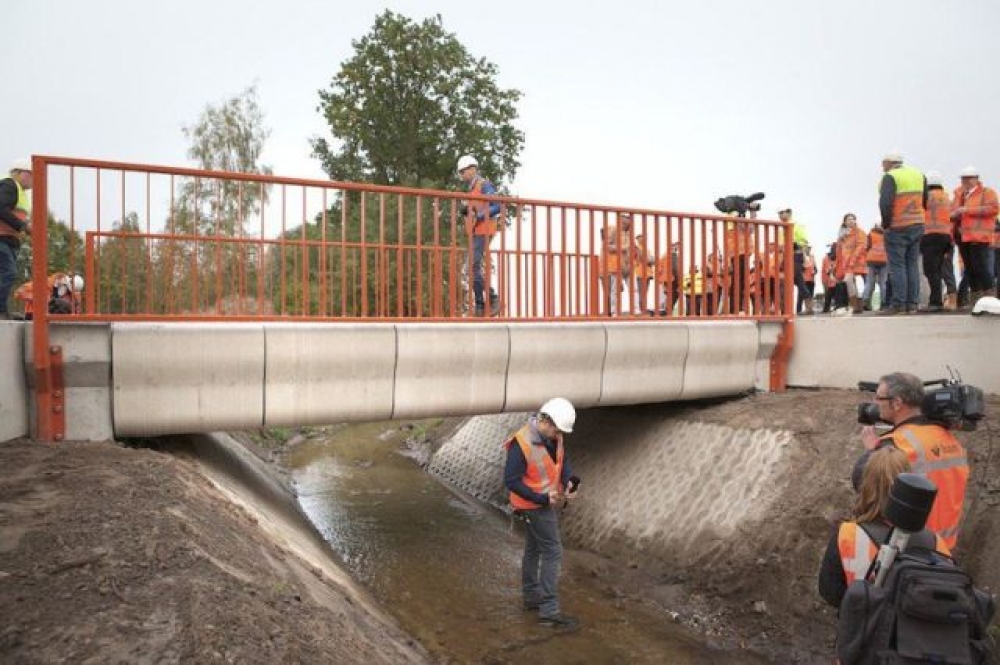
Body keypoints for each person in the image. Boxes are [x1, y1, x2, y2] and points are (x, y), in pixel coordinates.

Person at [818, 446, 949, 609]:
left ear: (865, 484)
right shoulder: (936, 543)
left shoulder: (848, 535)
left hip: (863, 628)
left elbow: (829, 591)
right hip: (914, 632)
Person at [852, 372, 969, 550]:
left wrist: (873, 450)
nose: (875, 403)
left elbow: (862, 483)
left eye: (879, 398)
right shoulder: (949, 440)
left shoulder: (898, 443)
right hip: (943, 548)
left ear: (897, 403)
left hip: (908, 548)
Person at [503, 397, 581, 629]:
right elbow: (511, 481)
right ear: (545, 420)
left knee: (534, 548)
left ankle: (531, 597)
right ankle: (549, 611)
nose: (558, 433)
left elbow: (561, 461)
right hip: (533, 505)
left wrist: (568, 481)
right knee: (553, 551)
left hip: (542, 502)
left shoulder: (553, 436)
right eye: (555, 428)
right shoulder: (521, 444)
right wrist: (541, 499)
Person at [878, 151, 927, 315]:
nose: (882, 166)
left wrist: (886, 224)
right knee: (912, 265)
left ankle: (898, 304)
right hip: (917, 224)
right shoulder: (918, 175)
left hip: (897, 226)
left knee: (897, 266)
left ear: (890, 162)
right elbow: (925, 200)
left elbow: (885, 203)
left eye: (883, 162)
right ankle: (912, 303)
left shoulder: (890, 177)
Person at [456, 155, 501, 317]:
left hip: (484, 230)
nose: (462, 175)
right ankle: (481, 305)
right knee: (471, 268)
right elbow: (476, 208)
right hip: (476, 231)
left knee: (470, 267)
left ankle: (493, 298)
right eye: (460, 173)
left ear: (472, 169)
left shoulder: (484, 184)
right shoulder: (472, 189)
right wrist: (467, 209)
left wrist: (479, 216)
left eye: (463, 172)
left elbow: (496, 205)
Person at [950, 166, 998, 310]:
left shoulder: (987, 193)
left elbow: (993, 209)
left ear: (977, 179)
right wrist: (953, 215)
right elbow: (951, 212)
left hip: (980, 237)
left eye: (970, 178)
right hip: (963, 237)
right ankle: (976, 300)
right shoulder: (959, 194)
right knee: (970, 270)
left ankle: (990, 299)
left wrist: (967, 210)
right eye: (964, 178)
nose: (966, 181)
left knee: (982, 268)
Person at [0, 158, 33, 319]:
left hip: (9, 240)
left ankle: (2, 310)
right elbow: (1, 208)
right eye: (31, 174)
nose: (34, 179)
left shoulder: (20, 192)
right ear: (20, 173)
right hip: (1, 239)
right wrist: (23, 226)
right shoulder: (9, 185)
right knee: (8, 272)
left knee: (5, 273)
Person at [921, 171, 956, 312]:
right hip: (946, 236)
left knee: (931, 270)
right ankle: (942, 299)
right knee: (941, 269)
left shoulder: (926, 197)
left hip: (930, 235)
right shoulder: (947, 197)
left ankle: (935, 302)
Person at [777, 206, 809, 314]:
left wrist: (796, 246)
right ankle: (785, 309)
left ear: (789, 213)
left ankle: (809, 307)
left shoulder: (797, 226)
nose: (780, 215)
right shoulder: (781, 228)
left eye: (782, 212)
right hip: (785, 257)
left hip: (796, 255)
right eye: (779, 213)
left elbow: (804, 243)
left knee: (798, 281)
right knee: (789, 282)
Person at [837, 214, 868, 314]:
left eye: (853, 219)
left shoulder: (860, 232)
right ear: (845, 222)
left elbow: (861, 247)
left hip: (857, 262)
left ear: (855, 221)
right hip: (847, 264)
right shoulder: (843, 235)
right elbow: (841, 252)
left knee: (852, 281)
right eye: (848, 219)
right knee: (850, 282)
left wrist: (852, 261)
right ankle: (856, 306)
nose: (851, 221)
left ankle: (856, 305)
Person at [861, 224, 888, 311]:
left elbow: (865, 247)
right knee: (883, 283)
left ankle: (865, 302)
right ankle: (884, 303)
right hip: (884, 261)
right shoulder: (887, 235)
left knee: (869, 282)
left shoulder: (870, 235)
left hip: (871, 260)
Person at [800, 245, 816, 314]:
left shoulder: (812, 257)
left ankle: (810, 309)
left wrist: (814, 271)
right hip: (804, 279)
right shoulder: (802, 258)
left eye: (809, 248)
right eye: (807, 248)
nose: (808, 250)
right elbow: (802, 268)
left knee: (811, 294)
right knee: (806, 294)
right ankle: (807, 309)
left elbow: (815, 268)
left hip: (811, 279)